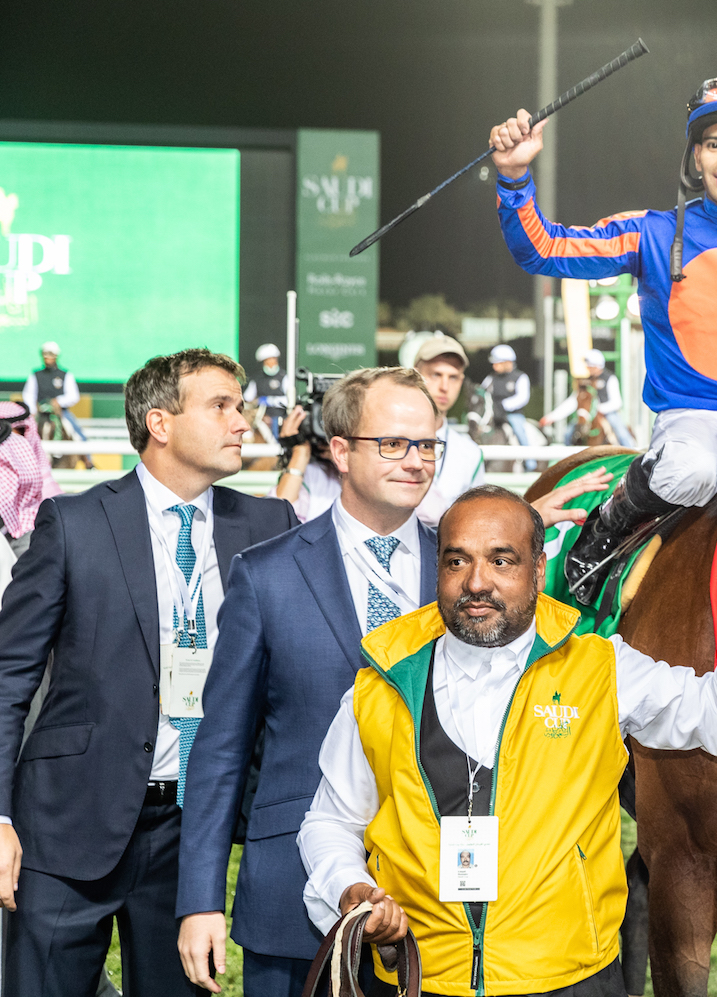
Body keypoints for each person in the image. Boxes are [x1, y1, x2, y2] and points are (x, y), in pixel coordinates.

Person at [177, 367, 610, 996]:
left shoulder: (467, 571)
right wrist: (199, 898)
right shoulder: (265, 575)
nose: (416, 460)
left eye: (428, 444)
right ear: (341, 449)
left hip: (438, 914)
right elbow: (219, 750)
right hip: (296, 896)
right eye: (394, 443)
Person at [296, 485, 717, 996]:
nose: (477, 582)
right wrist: (350, 890)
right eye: (456, 561)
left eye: (502, 561)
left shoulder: (600, 668)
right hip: (417, 978)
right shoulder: (380, 683)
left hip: (571, 977)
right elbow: (331, 822)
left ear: (537, 571)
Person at [488, 72, 717, 602]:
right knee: (689, 470)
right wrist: (515, 176)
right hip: (692, 421)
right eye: (714, 144)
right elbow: (543, 250)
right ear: (697, 157)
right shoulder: (651, 231)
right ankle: (605, 530)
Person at [0, 349, 299, 995]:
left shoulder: (267, 526)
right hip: (63, 827)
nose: (241, 421)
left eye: (240, 406)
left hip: (192, 833)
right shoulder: (74, 524)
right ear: (159, 424)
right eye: (221, 405)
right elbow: (8, 680)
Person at [411, 335, 485, 528]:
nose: (445, 387)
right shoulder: (385, 440)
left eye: (453, 377)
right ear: (415, 375)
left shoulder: (470, 453)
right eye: (436, 374)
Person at [0, 400, 61, 561]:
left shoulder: (32, 461)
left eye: (19, 430)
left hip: (29, 530)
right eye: (8, 430)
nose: (14, 436)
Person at [541, 348, 633, 447]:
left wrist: (599, 409)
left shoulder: (610, 378)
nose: (588, 368)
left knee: (621, 433)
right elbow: (573, 401)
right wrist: (552, 416)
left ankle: (631, 453)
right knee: (568, 433)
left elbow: (616, 402)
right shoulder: (584, 382)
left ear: (597, 366)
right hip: (588, 414)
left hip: (606, 413)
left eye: (590, 365)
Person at [21, 341, 88, 443]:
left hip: (60, 412)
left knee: (78, 435)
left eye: (50, 355)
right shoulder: (36, 375)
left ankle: (87, 457)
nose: (47, 357)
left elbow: (73, 396)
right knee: (25, 434)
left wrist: (58, 402)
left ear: (56, 356)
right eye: (45, 354)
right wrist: (33, 410)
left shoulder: (65, 375)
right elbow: (29, 394)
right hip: (40, 412)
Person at [481, 343, 533, 445]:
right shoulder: (490, 378)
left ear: (507, 362)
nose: (494, 366)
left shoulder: (520, 377)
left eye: (498, 363)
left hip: (512, 415)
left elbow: (523, 398)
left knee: (520, 433)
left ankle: (529, 459)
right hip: (492, 415)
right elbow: (482, 393)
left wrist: (503, 405)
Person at [243, 343, 289, 438]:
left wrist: (269, 400)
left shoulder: (283, 377)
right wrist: (255, 402)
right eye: (268, 360)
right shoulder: (257, 379)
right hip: (261, 417)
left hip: (279, 417)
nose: (271, 362)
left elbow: (289, 400)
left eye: (273, 359)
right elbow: (247, 397)